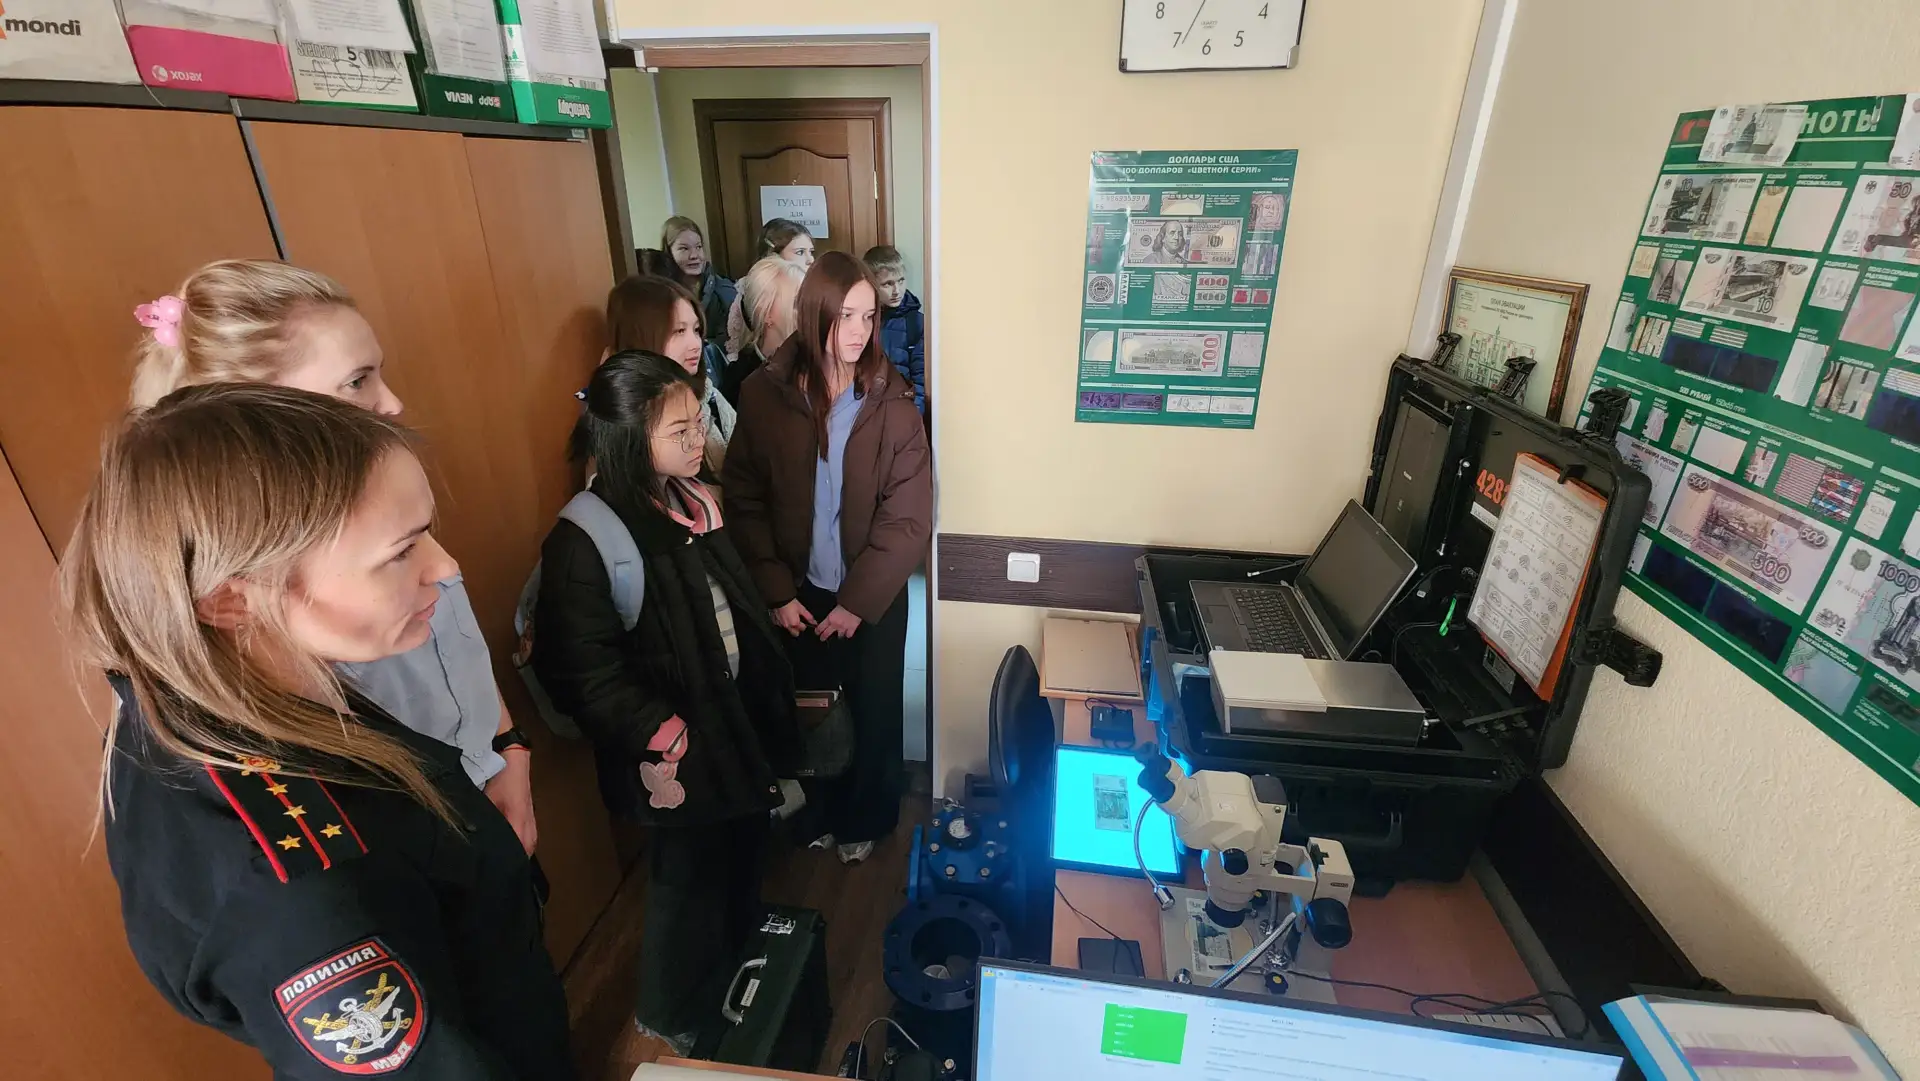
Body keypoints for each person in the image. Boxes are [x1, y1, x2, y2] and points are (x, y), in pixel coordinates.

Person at [65, 384, 572, 1078]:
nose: (445, 567)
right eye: (401, 552)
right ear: (232, 600)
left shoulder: (226, 687)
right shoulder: (305, 895)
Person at [128, 259, 537, 855]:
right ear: (255, 413)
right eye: (357, 381)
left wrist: (509, 747)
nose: (392, 403)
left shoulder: (386, 512)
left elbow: (458, 644)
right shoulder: (278, 625)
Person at [531, 351, 799, 1050]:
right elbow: (581, 670)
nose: (697, 440)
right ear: (627, 439)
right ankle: (670, 1008)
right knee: (686, 875)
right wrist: (661, 728)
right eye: (679, 431)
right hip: (673, 745)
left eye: (697, 423)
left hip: (728, 718)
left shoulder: (693, 500)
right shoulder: (586, 538)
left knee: (742, 846)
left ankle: (737, 965)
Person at [722, 252, 932, 864]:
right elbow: (744, 498)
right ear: (815, 314)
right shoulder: (764, 395)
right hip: (797, 593)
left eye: (868, 316)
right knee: (811, 709)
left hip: (870, 596)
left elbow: (908, 516)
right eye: (846, 317)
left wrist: (858, 603)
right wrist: (776, 591)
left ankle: (868, 817)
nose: (860, 331)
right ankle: (818, 811)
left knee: (874, 708)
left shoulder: (892, 402)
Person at [607, 273, 735, 476]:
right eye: (679, 331)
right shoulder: (625, 419)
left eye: (696, 330)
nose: (696, 344)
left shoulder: (707, 392)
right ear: (642, 335)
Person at [721, 254, 807, 405]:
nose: (808, 311)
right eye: (796, 303)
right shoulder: (742, 381)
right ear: (766, 313)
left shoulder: (818, 359)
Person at [862, 245, 926, 414]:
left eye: (901, 281)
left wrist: (912, 417)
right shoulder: (862, 320)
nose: (897, 291)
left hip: (903, 411)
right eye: (887, 284)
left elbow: (921, 380)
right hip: (867, 412)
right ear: (871, 284)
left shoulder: (916, 322)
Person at [660, 215, 737, 352]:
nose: (694, 255)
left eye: (698, 247)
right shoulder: (661, 293)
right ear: (668, 253)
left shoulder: (724, 291)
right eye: (684, 249)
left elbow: (731, 344)